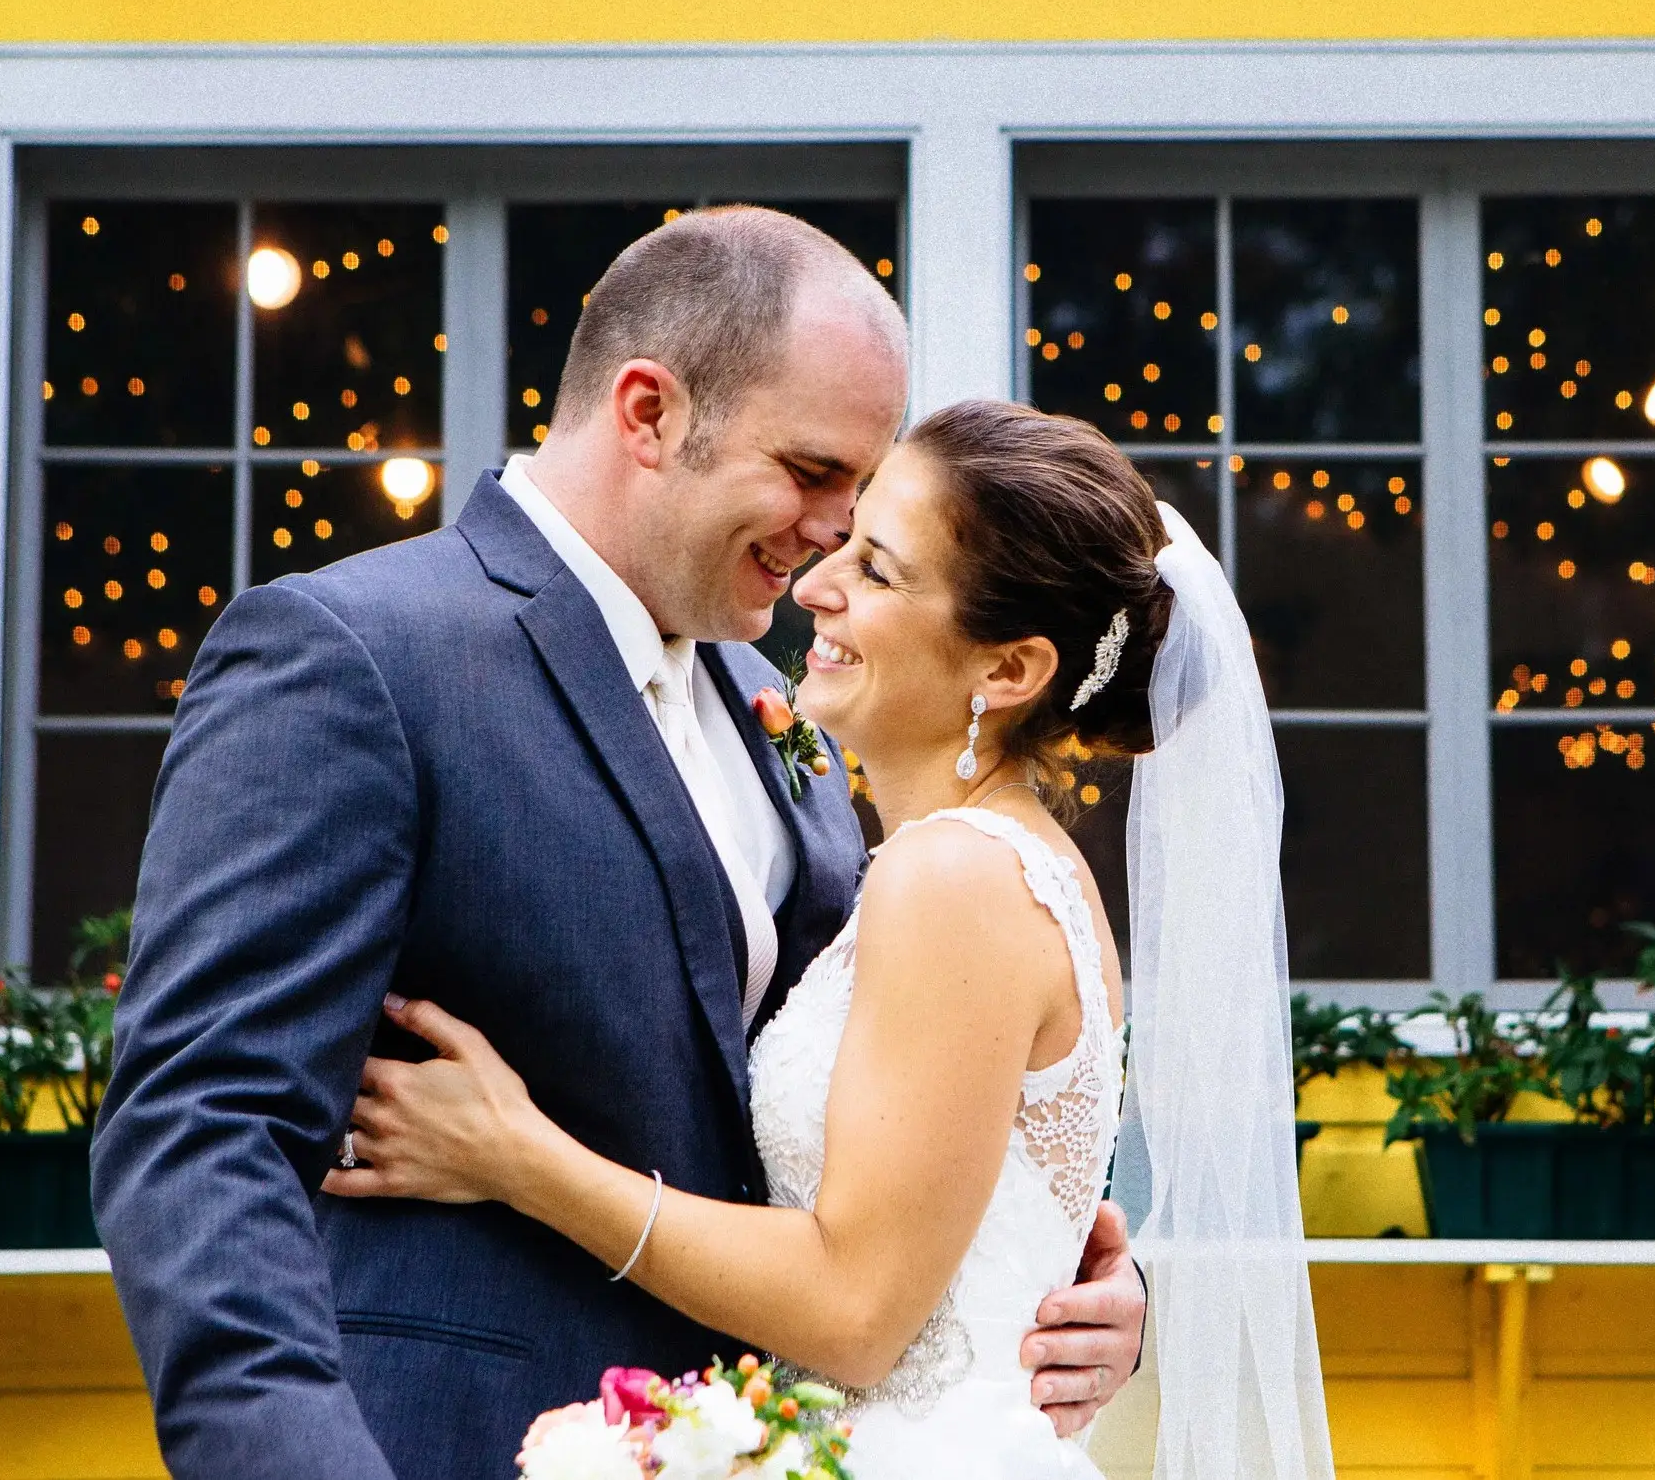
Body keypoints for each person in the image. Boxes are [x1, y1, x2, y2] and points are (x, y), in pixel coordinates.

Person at [91, 211, 1145, 1480]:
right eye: (812, 470)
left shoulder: (782, 717)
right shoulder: (358, 654)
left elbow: (872, 1145)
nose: (832, 533)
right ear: (647, 411)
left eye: (862, 495)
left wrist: (1075, 1284)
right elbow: (201, 1131)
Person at [325, 399, 1335, 1480]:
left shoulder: (953, 875)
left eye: (881, 570)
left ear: (1007, 671)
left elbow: (856, 1312)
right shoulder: (998, 866)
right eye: (845, 538)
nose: (815, 583)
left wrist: (518, 1157)